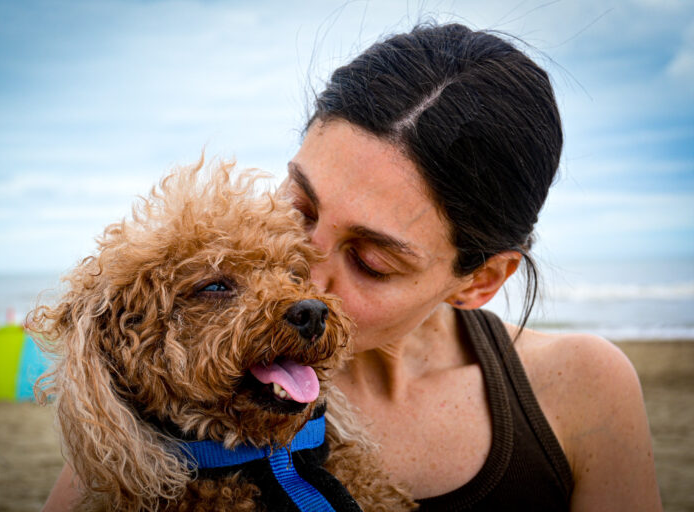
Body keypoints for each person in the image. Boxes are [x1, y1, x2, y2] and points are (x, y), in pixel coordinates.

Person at [43, 23, 662, 511]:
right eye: (300, 207)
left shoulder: (584, 387)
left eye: (370, 261)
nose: (303, 278)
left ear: (481, 280)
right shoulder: (161, 403)